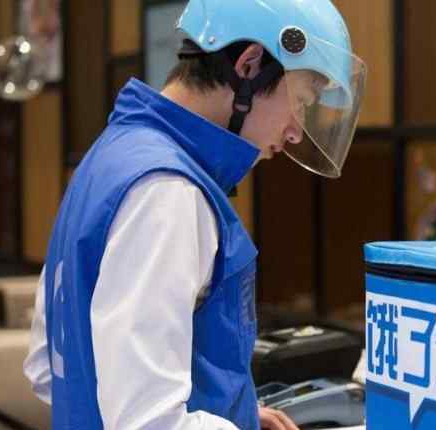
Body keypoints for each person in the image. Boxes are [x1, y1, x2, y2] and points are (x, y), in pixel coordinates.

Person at [23, 0, 366, 429]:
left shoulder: (113, 155)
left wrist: (230, 414)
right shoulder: (168, 191)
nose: (296, 130)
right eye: (300, 101)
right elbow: (149, 422)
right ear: (249, 65)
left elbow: (47, 368)